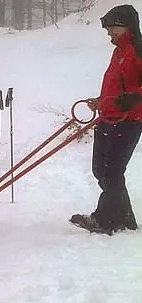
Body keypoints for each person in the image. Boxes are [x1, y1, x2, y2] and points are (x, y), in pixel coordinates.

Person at [70, 5, 142, 235]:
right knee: (101, 170)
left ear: (127, 25)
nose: (109, 32)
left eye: (113, 28)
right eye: (108, 29)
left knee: (112, 171)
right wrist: (101, 100)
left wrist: (134, 98)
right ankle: (125, 217)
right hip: (108, 117)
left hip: (128, 120)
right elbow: (117, 84)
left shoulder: (138, 49)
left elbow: (135, 90)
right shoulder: (118, 51)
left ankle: (106, 219)